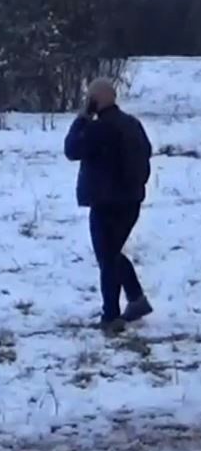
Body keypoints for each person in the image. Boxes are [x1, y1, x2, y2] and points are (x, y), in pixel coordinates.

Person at [64, 77, 153, 333]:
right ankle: (136, 300)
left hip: (105, 202)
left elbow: (71, 149)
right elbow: (145, 154)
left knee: (107, 258)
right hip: (131, 201)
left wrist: (81, 118)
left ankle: (111, 316)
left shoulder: (99, 128)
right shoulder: (132, 124)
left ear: (96, 100)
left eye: (89, 97)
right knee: (112, 253)